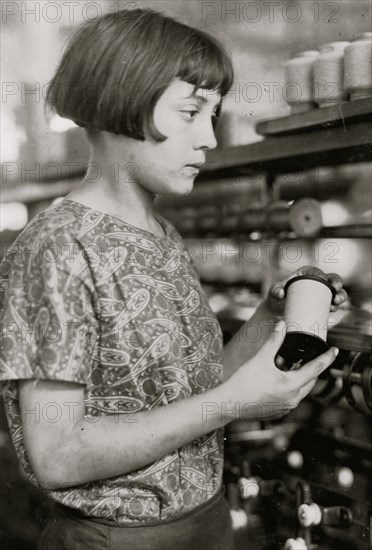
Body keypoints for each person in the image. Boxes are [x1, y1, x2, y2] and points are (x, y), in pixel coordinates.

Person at [0, 8, 347, 550]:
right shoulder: (58, 249)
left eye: (214, 113)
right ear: (121, 106)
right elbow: (58, 455)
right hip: (114, 539)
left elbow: (197, 393)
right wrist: (232, 405)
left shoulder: (160, 234)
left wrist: (272, 319)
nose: (209, 138)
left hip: (205, 523)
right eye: (190, 112)